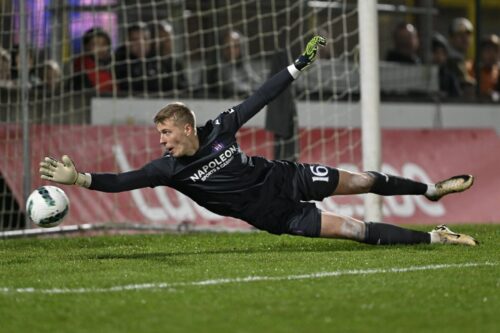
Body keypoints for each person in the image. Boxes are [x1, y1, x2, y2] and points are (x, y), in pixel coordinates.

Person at [39, 36, 478, 246]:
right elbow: (122, 180)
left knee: (362, 181)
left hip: (286, 178)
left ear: (187, 128)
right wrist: (79, 178)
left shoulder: (219, 129)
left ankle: (431, 190)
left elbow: (259, 98)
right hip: (276, 215)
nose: (162, 141)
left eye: (166, 132)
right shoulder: (167, 170)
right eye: (159, 135)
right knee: (354, 230)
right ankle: (436, 238)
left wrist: (297, 67)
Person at [217, 29, 261, 98]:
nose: (231, 51)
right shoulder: (219, 67)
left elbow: (257, 82)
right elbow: (234, 86)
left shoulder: (243, 64)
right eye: (228, 47)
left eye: (236, 46)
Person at [72, 27, 115, 94]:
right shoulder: (81, 70)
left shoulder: (114, 65)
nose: (101, 48)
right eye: (95, 44)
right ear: (86, 47)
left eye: (104, 44)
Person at [150, 20, 188, 92]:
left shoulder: (176, 63)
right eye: (162, 37)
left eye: (169, 37)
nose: (167, 41)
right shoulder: (149, 62)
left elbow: (183, 84)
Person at [446, 17, 476, 97]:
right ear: (451, 38)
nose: (465, 38)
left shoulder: (468, 62)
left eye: (468, 35)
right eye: (459, 34)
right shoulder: (448, 61)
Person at [467, 34, 500, 101]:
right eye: (488, 50)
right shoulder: (469, 68)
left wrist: (494, 95)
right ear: (480, 52)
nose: (492, 54)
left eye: (495, 51)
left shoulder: (498, 71)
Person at [431, 33, 461, 98]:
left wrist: (446, 96)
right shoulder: (422, 73)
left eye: (442, 53)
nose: (438, 56)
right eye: (435, 52)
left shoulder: (450, 77)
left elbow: (456, 97)